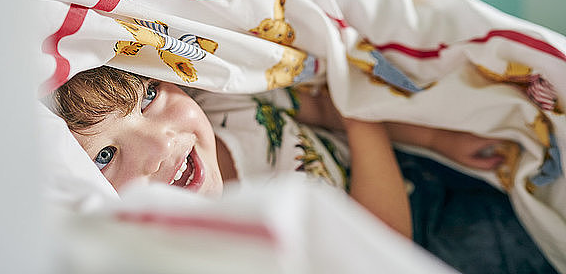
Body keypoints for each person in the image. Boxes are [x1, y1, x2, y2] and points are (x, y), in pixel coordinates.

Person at [50, 65, 511, 240]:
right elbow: (386, 242)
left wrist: (437, 141)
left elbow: (329, 108)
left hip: (415, 166)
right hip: (424, 236)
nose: (162, 145)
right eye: (103, 156)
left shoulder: (229, 102)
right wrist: (361, 121)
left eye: (149, 97)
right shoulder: (227, 241)